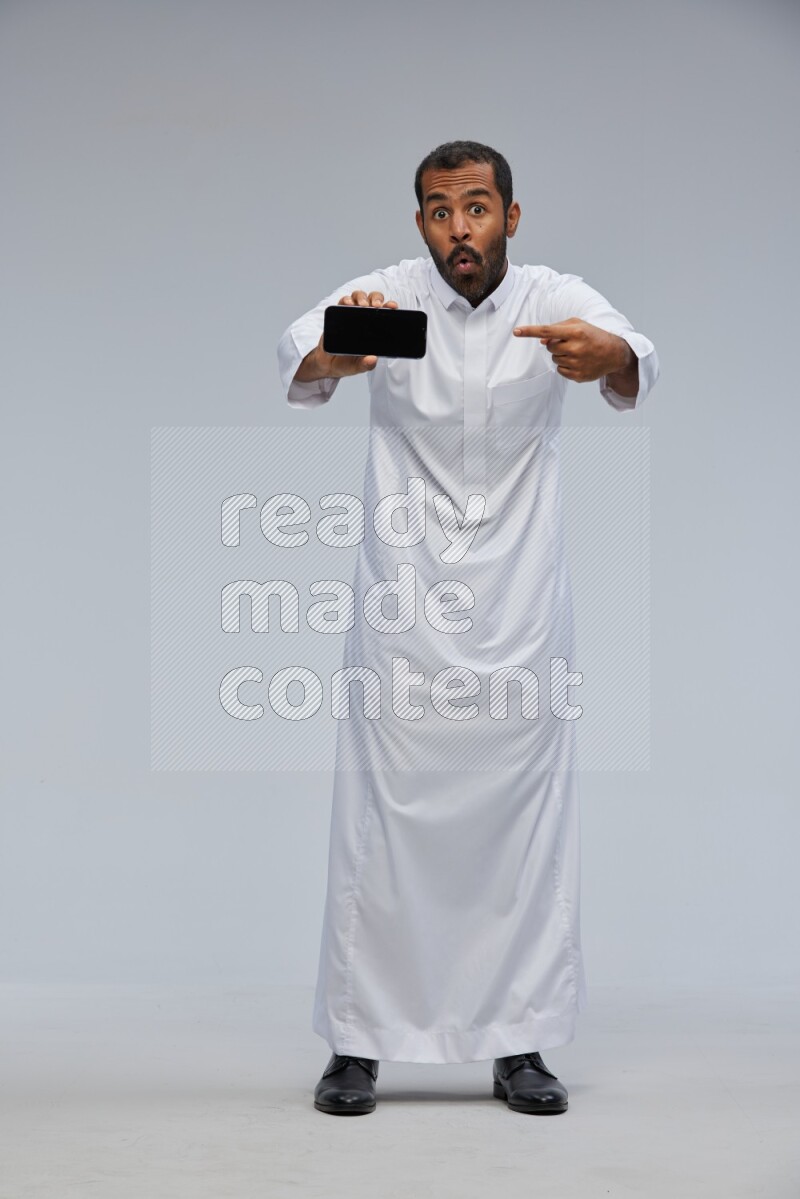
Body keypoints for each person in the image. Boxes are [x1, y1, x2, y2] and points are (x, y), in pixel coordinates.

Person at [277, 140, 659, 1116]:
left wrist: (606, 355)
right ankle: (355, 1046)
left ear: (511, 217)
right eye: (440, 211)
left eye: (477, 208)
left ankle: (517, 1042)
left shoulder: (548, 300)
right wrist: (336, 350)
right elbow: (303, 352)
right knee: (377, 830)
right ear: (419, 225)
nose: (460, 229)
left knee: (524, 836)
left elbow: (628, 354)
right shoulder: (392, 302)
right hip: (403, 612)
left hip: (521, 613)